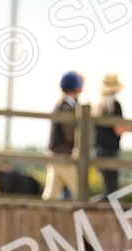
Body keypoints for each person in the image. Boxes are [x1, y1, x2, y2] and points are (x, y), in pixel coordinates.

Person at [93, 73, 132, 198]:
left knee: (108, 189)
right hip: (109, 151)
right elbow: (118, 130)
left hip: (97, 150)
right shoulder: (114, 105)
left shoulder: (98, 106)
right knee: (112, 191)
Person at [43, 71, 83, 201]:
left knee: (50, 196)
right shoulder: (67, 107)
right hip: (63, 155)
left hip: (55, 154)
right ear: (76, 88)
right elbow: (69, 134)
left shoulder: (61, 104)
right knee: (80, 191)